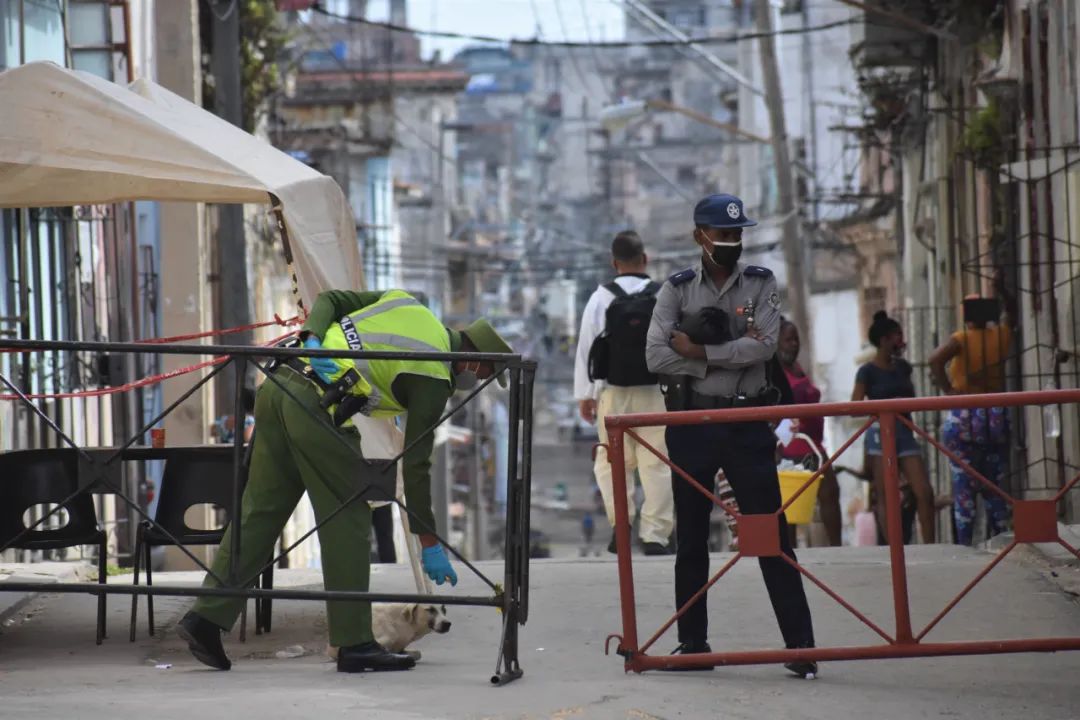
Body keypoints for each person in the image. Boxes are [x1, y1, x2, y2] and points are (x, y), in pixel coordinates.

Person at [176, 289, 513, 674]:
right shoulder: (435, 374)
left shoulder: (407, 303)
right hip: (317, 406)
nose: (478, 382)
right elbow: (417, 464)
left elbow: (332, 300)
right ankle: (354, 643)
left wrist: (312, 338)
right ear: (472, 358)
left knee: (260, 512)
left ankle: (206, 617)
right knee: (349, 517)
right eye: (485, 374)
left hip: (279, 385)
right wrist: (428, 540)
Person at [645, 193, 817, 678]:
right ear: (700, 236)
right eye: (722, 235)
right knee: (692, 538)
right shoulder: (676, 290)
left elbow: (764, 348)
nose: (731, 243)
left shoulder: (761, 283)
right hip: (693, 424)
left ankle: (800, 644)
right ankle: (693, 643)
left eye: (737, 235)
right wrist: (727, 351)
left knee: (771, 533)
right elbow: (656, 356)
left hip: (745, 424)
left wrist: (699, 351)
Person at [574, 230, 674, 556]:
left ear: (613, 263)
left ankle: (622, 526)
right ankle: (656, 535)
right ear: (645, 259)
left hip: (613, 395)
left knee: (612, 461)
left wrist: (586, 395)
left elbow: (587, 348)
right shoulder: (664, 295)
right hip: (656, 393)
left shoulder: (600, 297)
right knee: (657, 462)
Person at [929, 296, 1012, 545]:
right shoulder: (1003, 335)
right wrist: (1003, 291)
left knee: (963, 485)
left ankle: (965, 544)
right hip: (994, 415)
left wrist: (948, 391)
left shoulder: (962, 339)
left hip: (965, 415)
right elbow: (1012, 317)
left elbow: (935, 360)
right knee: (994, 484)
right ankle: (1000, 540)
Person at [851, 311, 936, 544]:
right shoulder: (866, 371)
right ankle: (894, 549)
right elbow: (854, 406)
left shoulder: (904, 368)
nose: (901, 341)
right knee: (887, 496)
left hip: (905, 433)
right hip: (879, 435)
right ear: (883, 341)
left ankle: (931, 546)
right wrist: (879, 409)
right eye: (896, 336)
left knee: (924, 492)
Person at [777, 318, 842, 546]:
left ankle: (836, 547)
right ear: (776, 343)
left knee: (829, 494)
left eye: (796, 339)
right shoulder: (776, 372)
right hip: (796, 443)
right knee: (794, 503)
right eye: (788, 340)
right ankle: (789, 552)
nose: (794, 344)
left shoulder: (796, 368)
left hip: (814, 442)